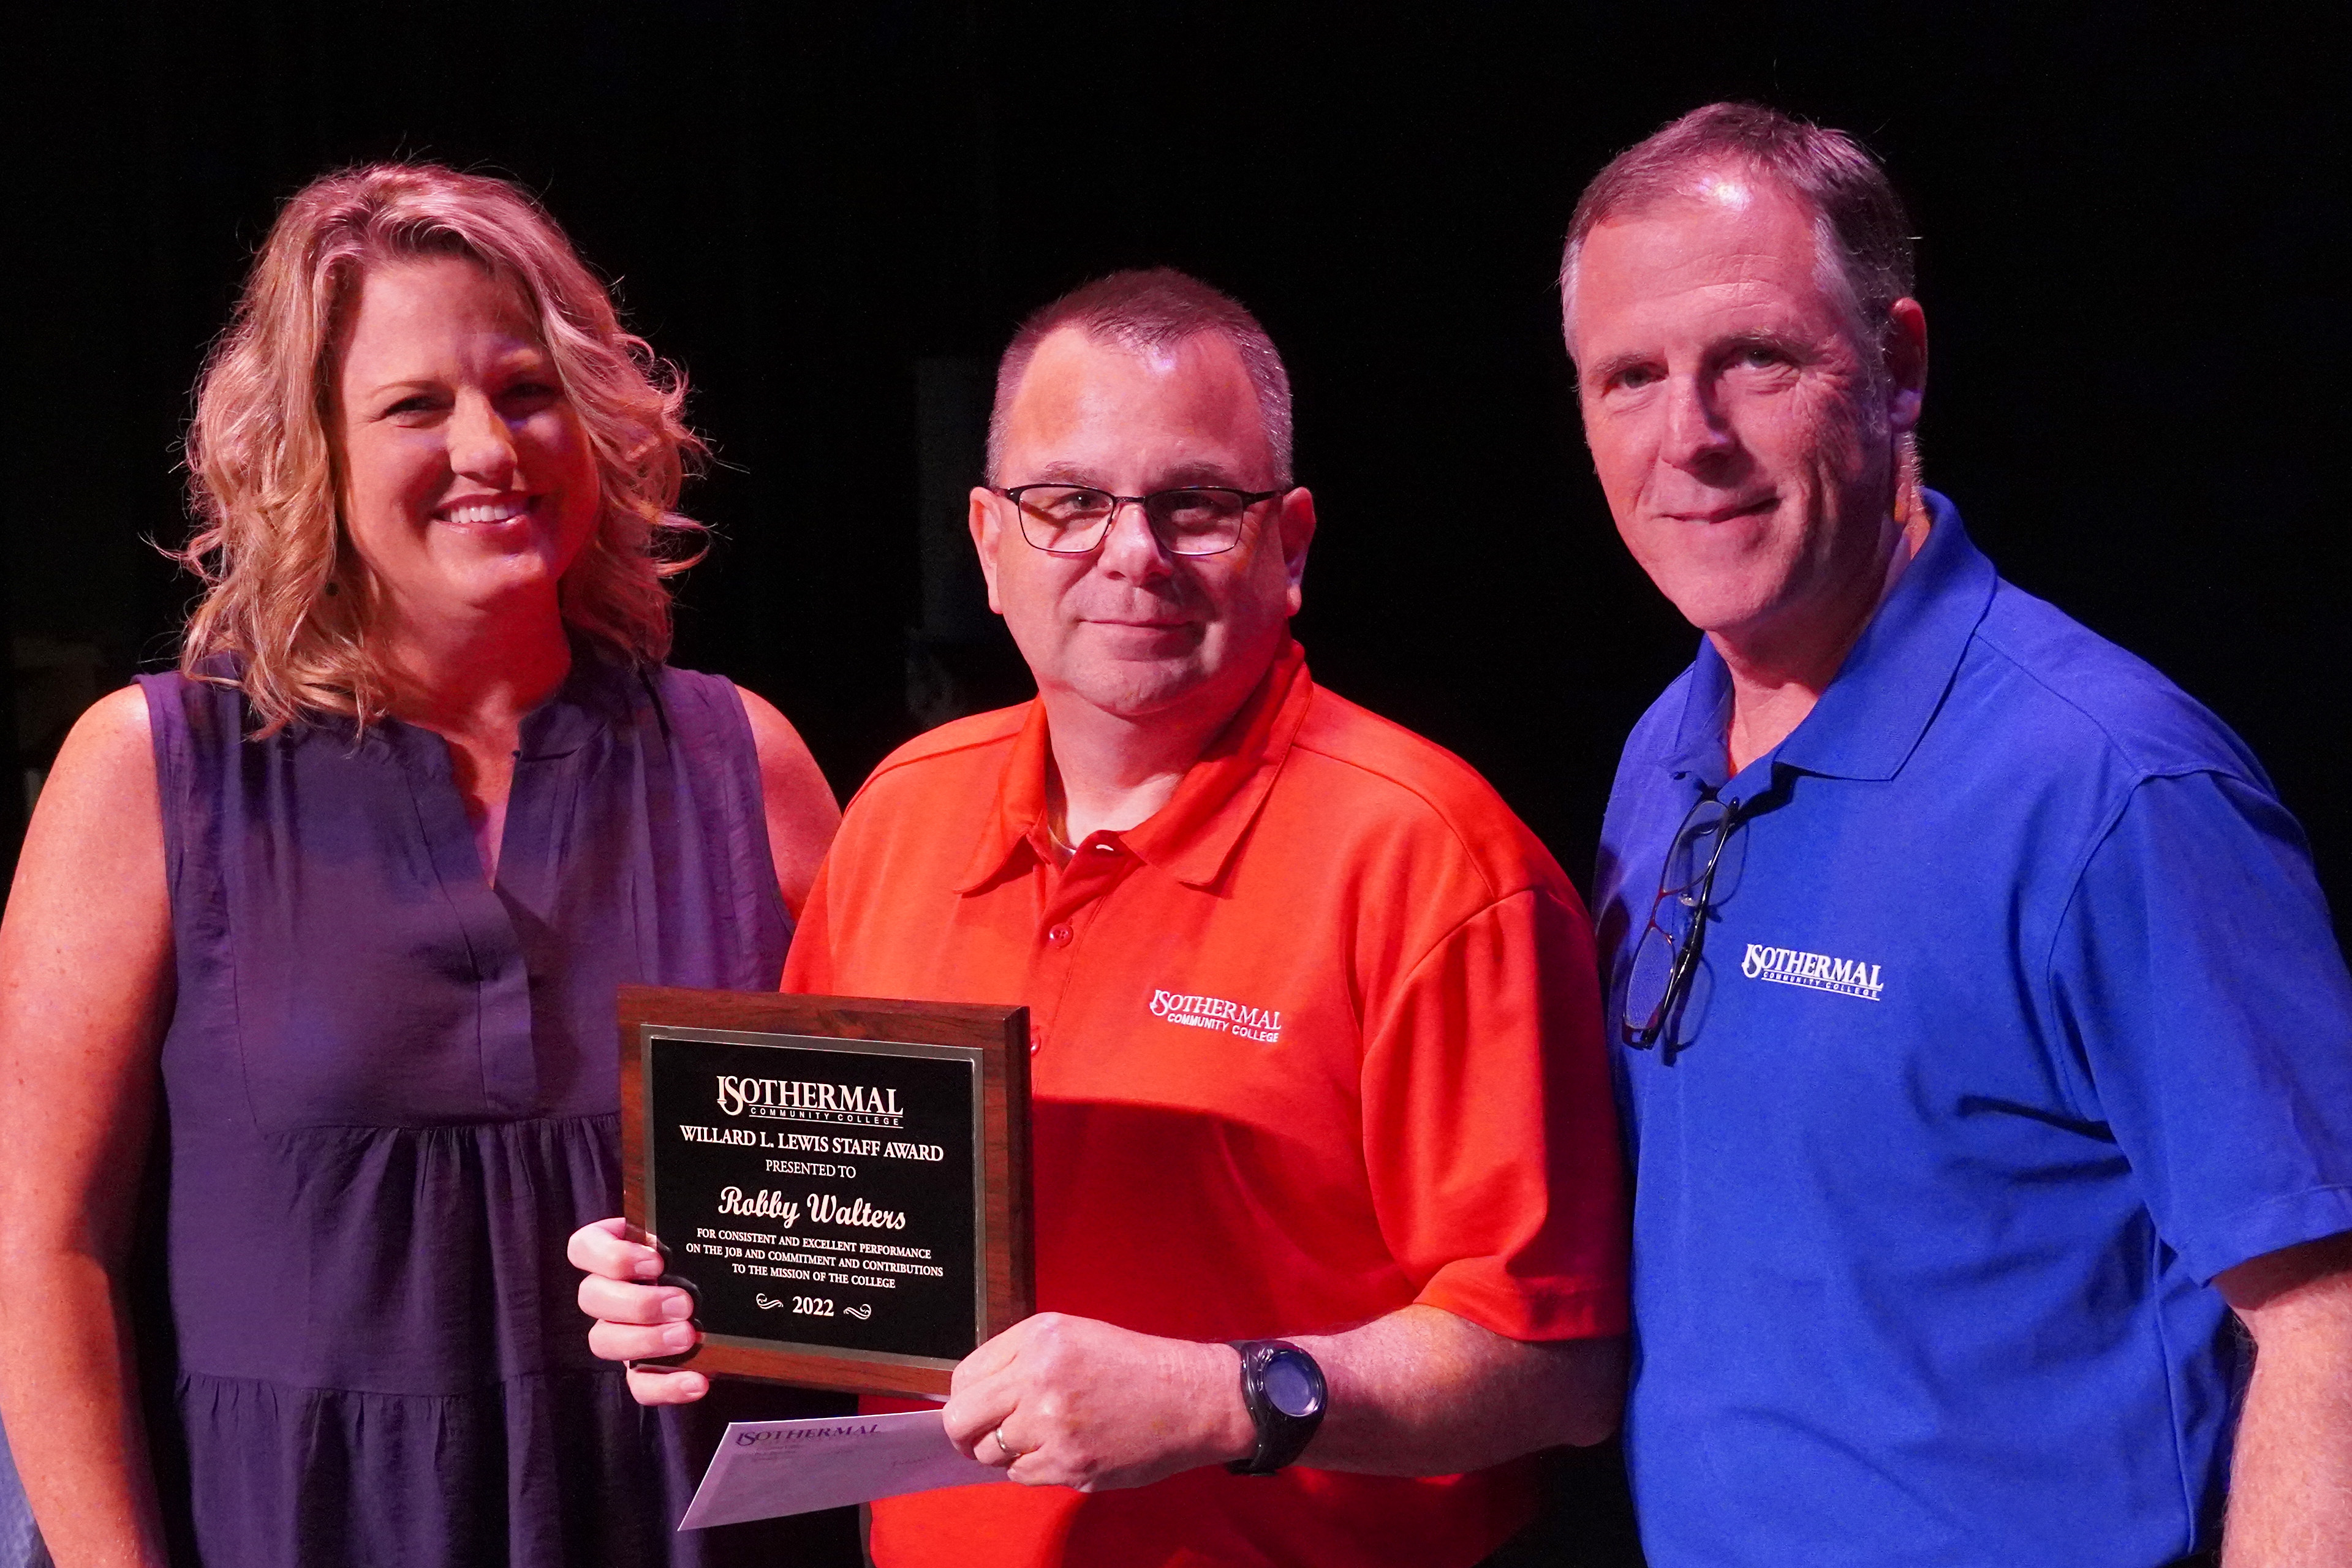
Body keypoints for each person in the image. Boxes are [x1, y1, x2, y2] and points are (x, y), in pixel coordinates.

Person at [572, 268, 1630, 1567]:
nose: (1132, 552)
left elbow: (1555, 1366)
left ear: (1289, 545)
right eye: (1069, 501)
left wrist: (1216, 1397)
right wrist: (684, 1279)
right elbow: (818, 1214)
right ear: (988, 541)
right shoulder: (902, 817)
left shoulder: (1435, 860)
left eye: (1194, 504)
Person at [0, 165, 847, 1567]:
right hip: (294, 1520)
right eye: (414, 406)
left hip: (683, 1523)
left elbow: (903, 1203)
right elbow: (46, 1254)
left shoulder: (739, 761)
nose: (492, 447)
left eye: (526, 391)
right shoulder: (149, 771)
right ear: (308, 453)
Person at [1565, 103, 2352, 1567]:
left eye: (1757, 358)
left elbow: (2329, 1319)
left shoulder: (2113, 789)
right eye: (1629, 376)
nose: (1691, 435)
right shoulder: (1660, 759)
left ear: (1899, 368)